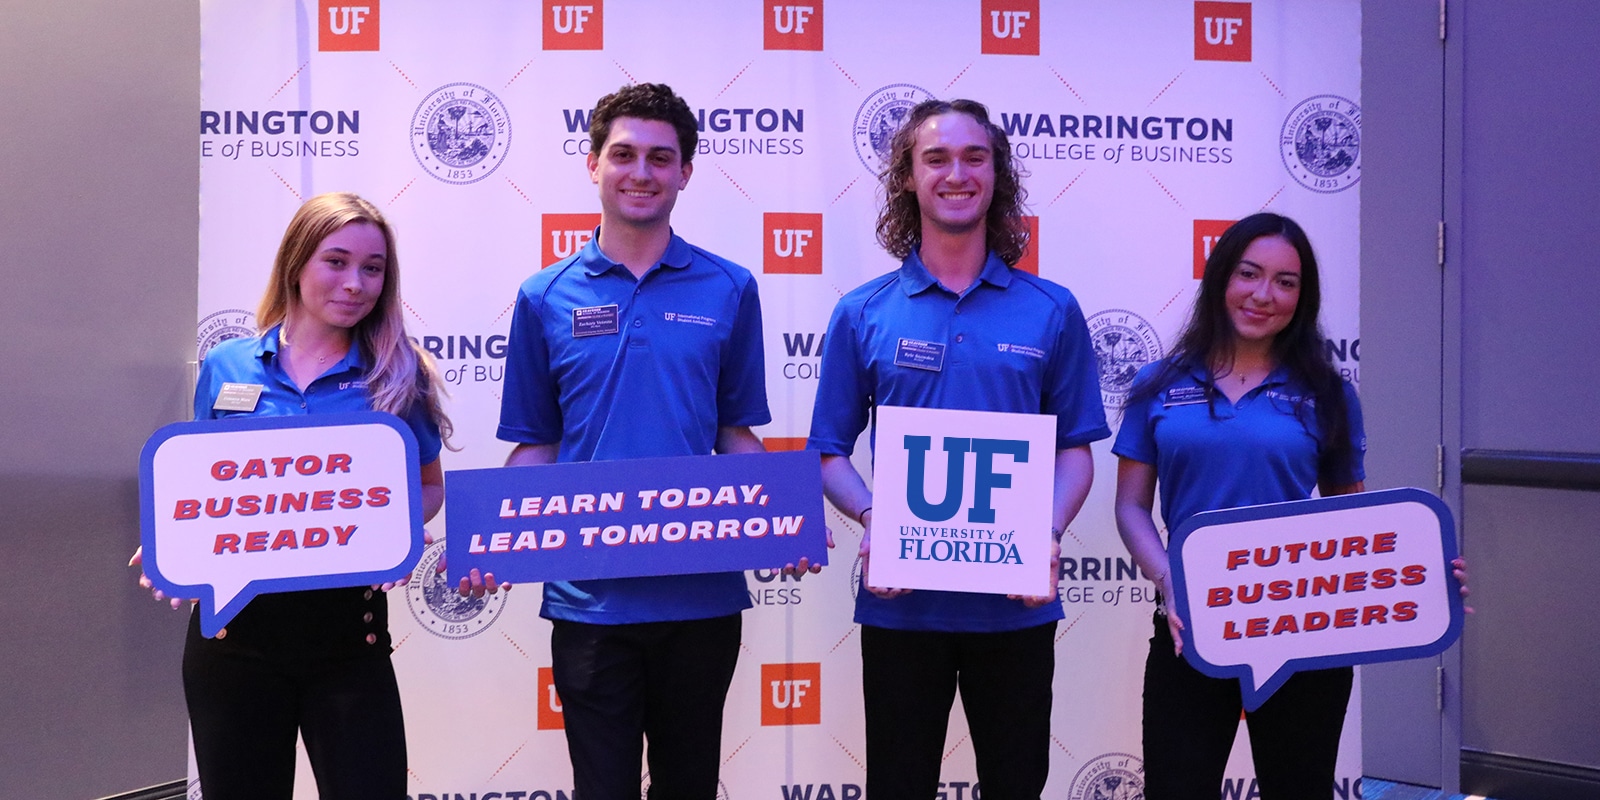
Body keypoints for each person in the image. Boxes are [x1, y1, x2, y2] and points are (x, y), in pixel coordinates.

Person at [806, 99, 1109, 800]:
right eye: (936, 158)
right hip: (902, 606)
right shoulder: (863, 312)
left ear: (997, 174)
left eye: (975, 157)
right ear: (908, 177)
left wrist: (1047, 530)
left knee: (1016, 785)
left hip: (1015, 601)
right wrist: (875, 517)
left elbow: (1076, 452)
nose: (956, 173)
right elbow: (828, 453)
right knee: (898, 786)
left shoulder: (1051, 308)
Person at [1112, 212, 1468, 798]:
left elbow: (1353, 521)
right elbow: (1130, 507)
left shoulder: (1327, 393)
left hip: (1304, 634)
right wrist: (1168, 580)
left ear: (1302, 298)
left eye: (1286, 282)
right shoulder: (1158, 383)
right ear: (1221, 277)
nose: (1263, 295)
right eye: (1249, 274)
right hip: (1190, 630)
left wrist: (1424, 574)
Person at [488, 83, 770, 800]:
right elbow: (534, 446)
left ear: (686, 172)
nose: (641, 171)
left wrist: (778, 520)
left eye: (660, 157)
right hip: (590, 600)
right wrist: (488, 540)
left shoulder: (730, 288)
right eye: (623, 154)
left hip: (701, 598)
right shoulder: (543, 297)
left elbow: (735, 435)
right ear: (592, 164)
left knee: (689, 787)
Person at [132, 192, 451, 799]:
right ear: (296, 262)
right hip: (232, 642)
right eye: (336, 261)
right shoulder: (226, 366)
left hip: (346, 641)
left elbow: (429, 485)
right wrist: (170, 545)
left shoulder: (399, 372)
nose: (356, 283)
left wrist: (399, 526)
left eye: (373, 268)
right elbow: (203, 489)